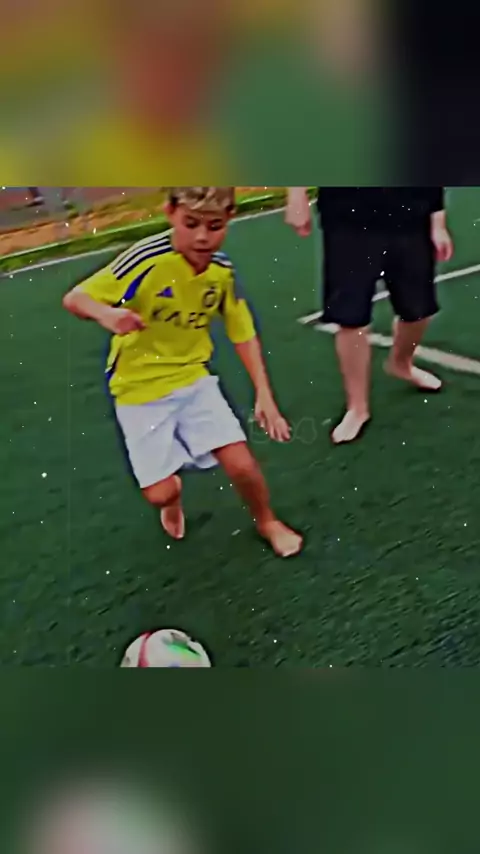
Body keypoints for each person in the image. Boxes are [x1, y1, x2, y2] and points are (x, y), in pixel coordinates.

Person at [63, 187, 303, 558]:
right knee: (160, 493)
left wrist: (264, 394)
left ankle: (267, 522)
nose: (202, 237)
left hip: (192, 378)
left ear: (230, 218)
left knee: (241, 464)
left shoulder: (222, 270)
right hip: (138, 388)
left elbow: (241, 330)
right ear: (170, 212)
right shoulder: (147, 258)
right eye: (191, 224)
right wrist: (107, 314)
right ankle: (172, 499)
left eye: (214, 226)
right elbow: (75, 298)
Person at [286, 187, 454, 443]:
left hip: (410, 214)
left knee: (418, 311)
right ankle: (357, 407)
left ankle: (401, 363)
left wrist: (438, 222)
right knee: (350, 317)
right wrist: (296, 194)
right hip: (349, 218)